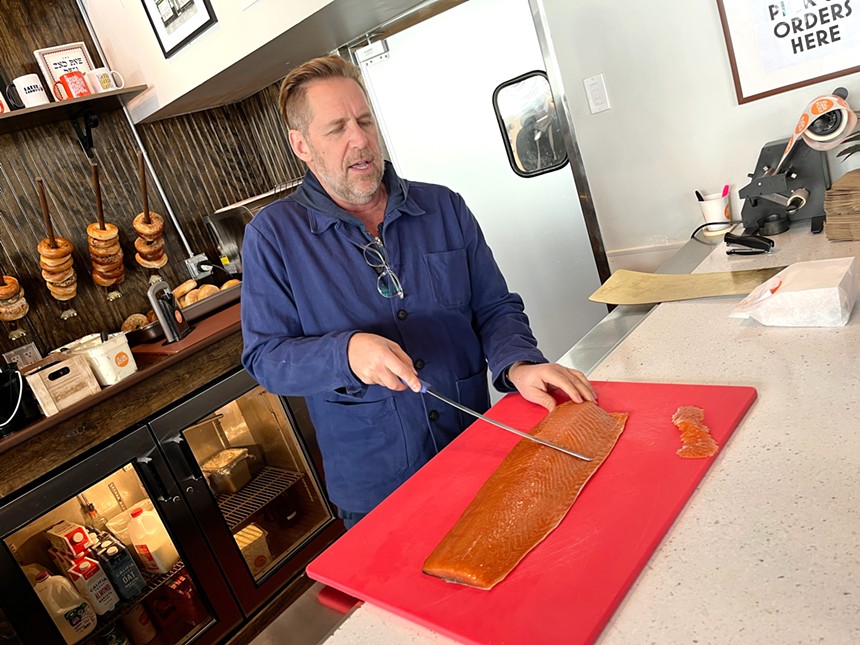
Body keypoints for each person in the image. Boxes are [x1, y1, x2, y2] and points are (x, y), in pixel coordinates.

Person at [240, 55, 595, 529]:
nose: (360, 139)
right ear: (301, 145)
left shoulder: (444, 206)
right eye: (337, 128)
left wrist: (519, 363)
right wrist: (346, 353)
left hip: (476, 446)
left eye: (365, 121)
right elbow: (265, 357)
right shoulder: (273, 236)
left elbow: (494, 307)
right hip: (377, 489)